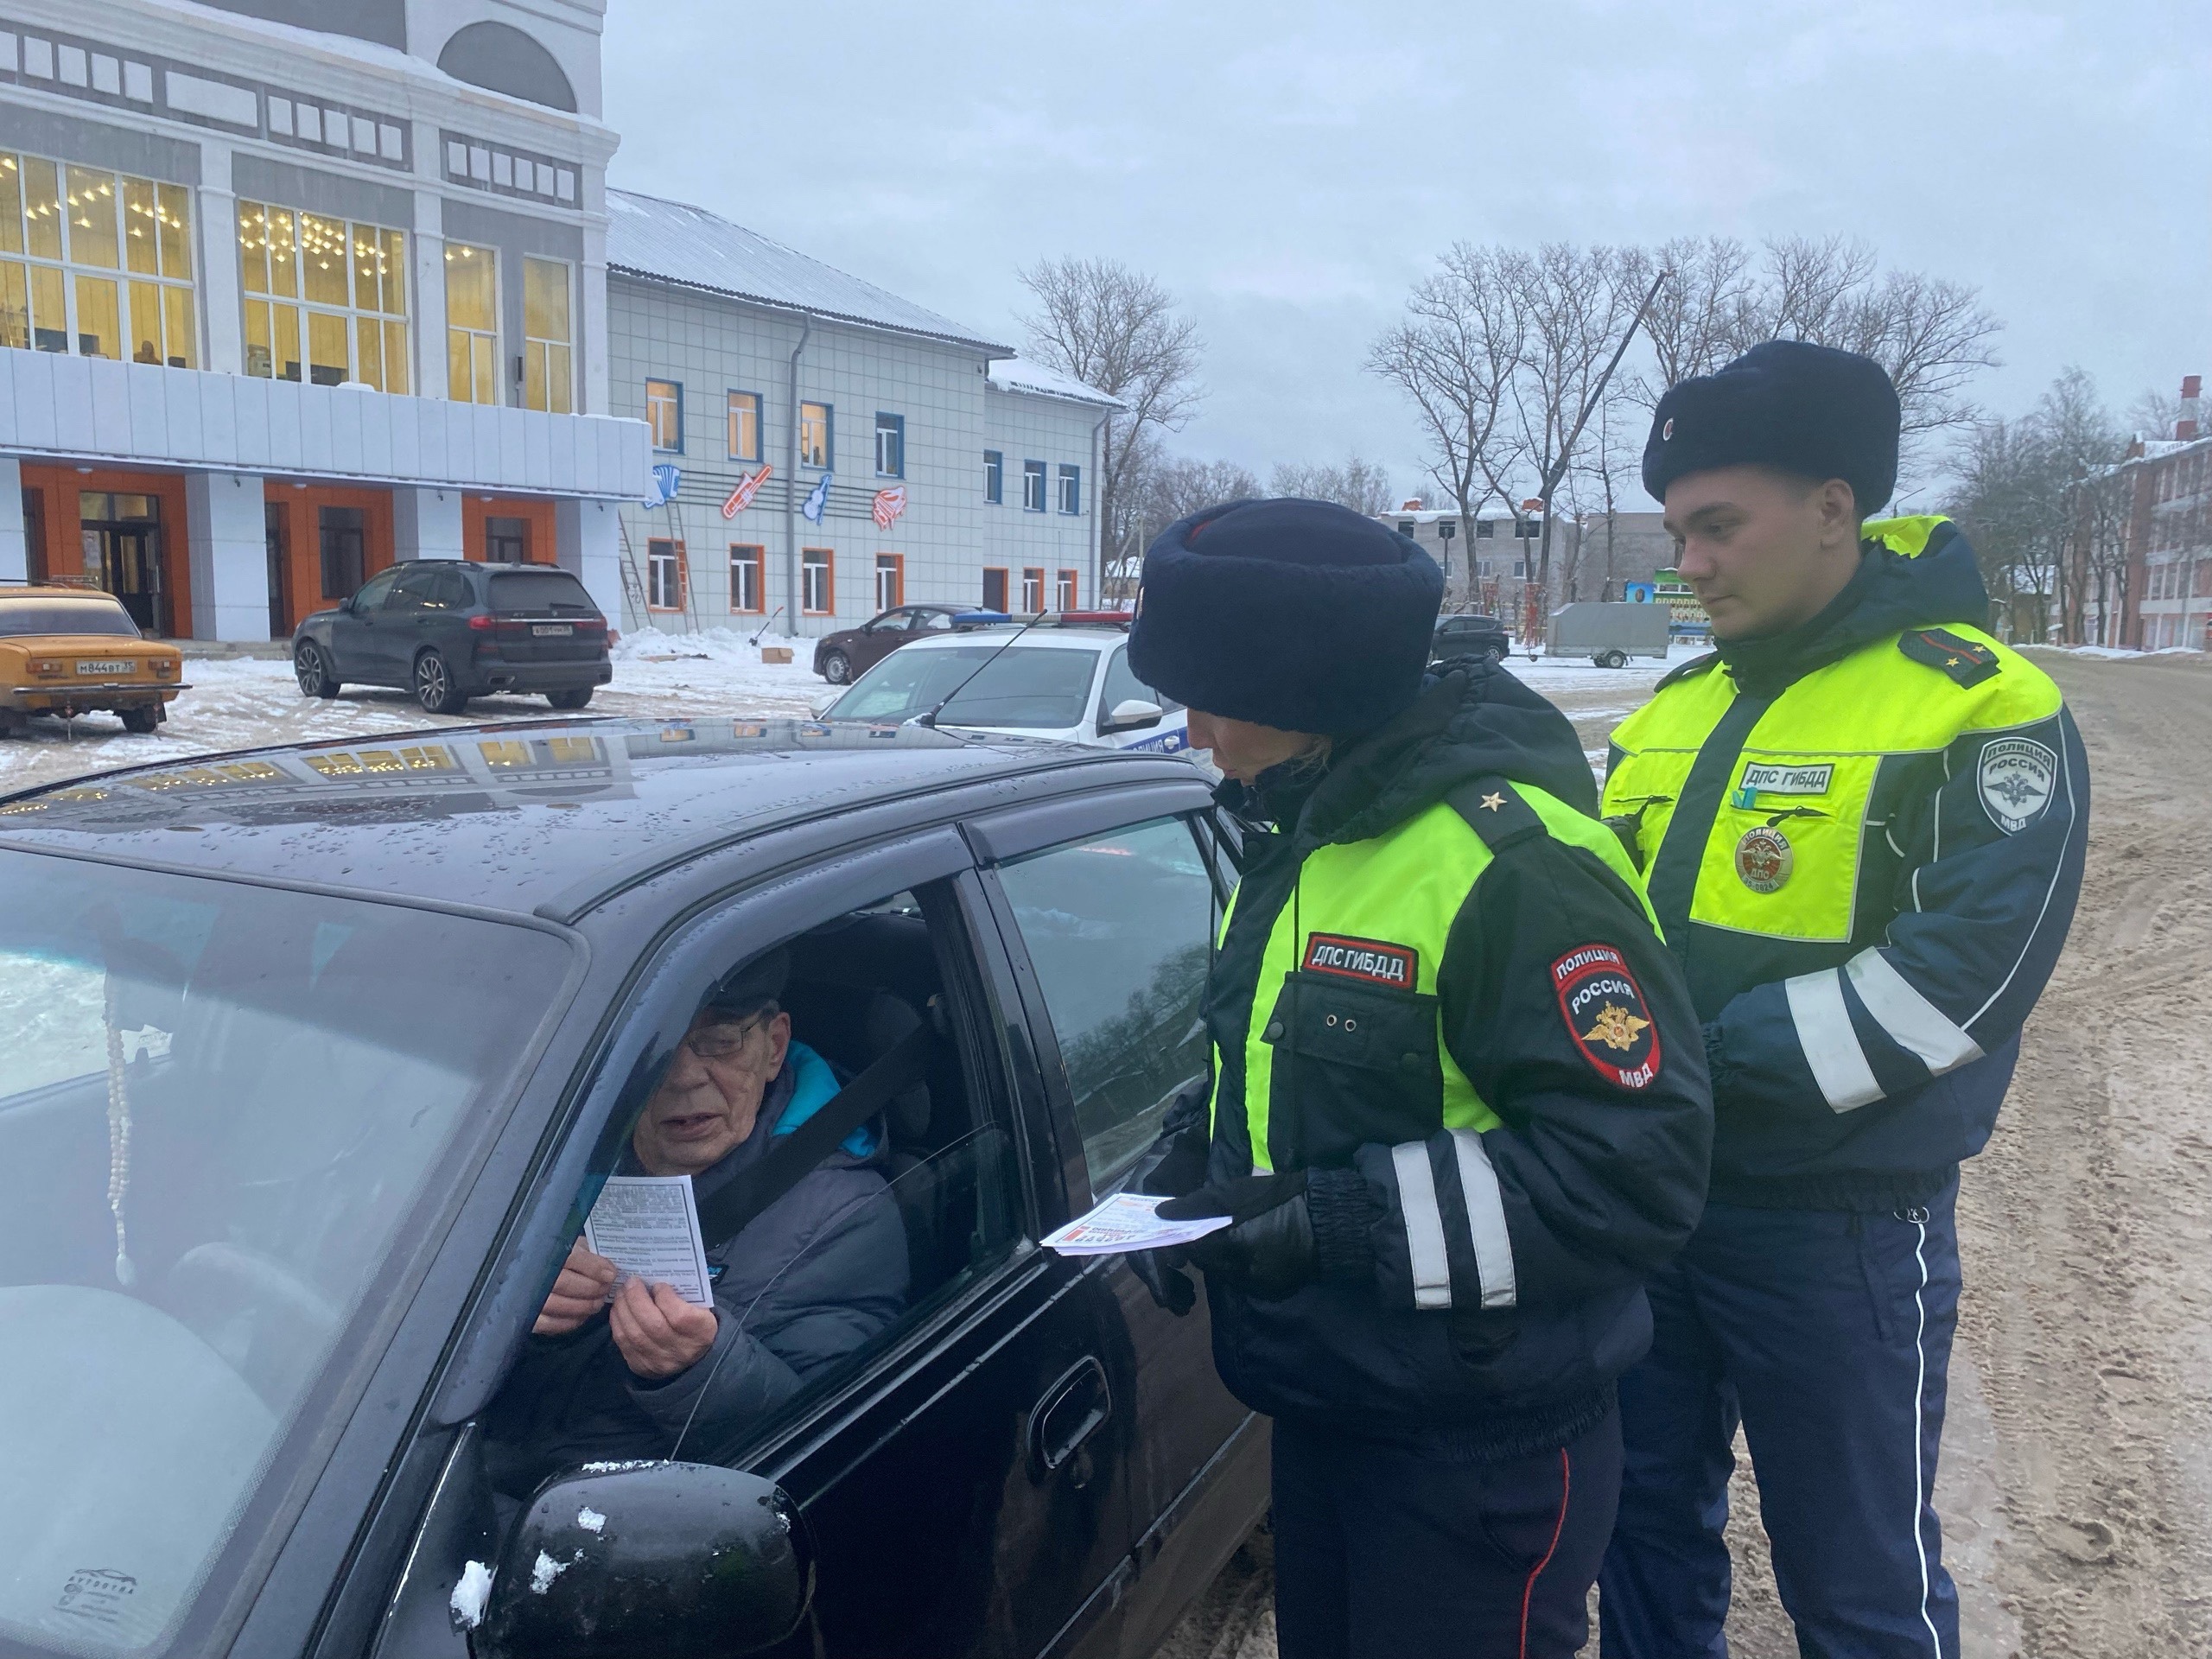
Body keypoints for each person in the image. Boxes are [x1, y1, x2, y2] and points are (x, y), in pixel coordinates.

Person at [1122, 498, 1713, 1659]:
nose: (1193, 733)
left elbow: (1635, 1173)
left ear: (1309, 701)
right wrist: (1206, 1157)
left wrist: (1331, 1221)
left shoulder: (1522, 868)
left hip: (1478, 1452)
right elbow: (1290, 1058)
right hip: (1336, 1406)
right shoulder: (1301, 833)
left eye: (1212, 700)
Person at [1595, 342, 2090, 1656]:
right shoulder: (1675, 706)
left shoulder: (1980, 703)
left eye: (1717, 526)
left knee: (1858, 1580)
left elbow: (1964, 978)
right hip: (1658, 1200)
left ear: (1832, 508)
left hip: (1838, 1225)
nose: (1689, 563)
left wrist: (1683, 1065)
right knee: (1641, 1538)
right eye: (1675, 531)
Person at [484, 948, 908, 1491]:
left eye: (720, 1043)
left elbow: (830, 1441)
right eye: (650, 1049)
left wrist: (702, 1369)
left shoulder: (845, 1215)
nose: (683, 1077)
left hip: (640, 1510)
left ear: (774, 1047)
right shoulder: (539, 1152)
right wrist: (513, 1316)